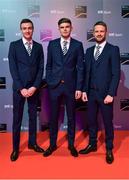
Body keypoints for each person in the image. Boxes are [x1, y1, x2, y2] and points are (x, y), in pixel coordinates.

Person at [79, 21, 120, 164]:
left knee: (108, 122)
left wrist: (111, 93)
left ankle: (109, 148)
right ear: (93, 33)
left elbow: (116, 74)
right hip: (90, 93)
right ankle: (92, 144)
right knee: (91, 121)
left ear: (106, 32)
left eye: (101, 31)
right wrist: (84, 90)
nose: (99, 34)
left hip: (105, 95)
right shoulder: (89, 51)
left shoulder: (113, 50)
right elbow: (86, 73)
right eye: (96, 31)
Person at [43, 18, 84, 157]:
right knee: (54, 117)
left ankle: (71, 145)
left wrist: (79, 87)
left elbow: (80, 68)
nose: (65, 29)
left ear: (71, 28)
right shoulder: (52, 44)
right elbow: (48, 66)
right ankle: (52, 144)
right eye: (62, 27)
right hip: (54, 87)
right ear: (59, 29)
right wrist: (49, 81)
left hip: (71, 87)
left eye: (67, 26)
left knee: (71, 117)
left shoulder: (78, 45)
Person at [8, 18, 44, 161]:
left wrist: (35, 86)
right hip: (19, 89)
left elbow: (41, 68)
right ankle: (15, 149)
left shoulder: (38, 47)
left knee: (32, 118)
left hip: (34, 88)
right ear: (21, 30)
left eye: (29, 28)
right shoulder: (14, 45)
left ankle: (32, 143)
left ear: (33, 29)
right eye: (24, 28)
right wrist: (21, 88)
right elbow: (13, 68)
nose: (27, 30)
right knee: (17, 119)